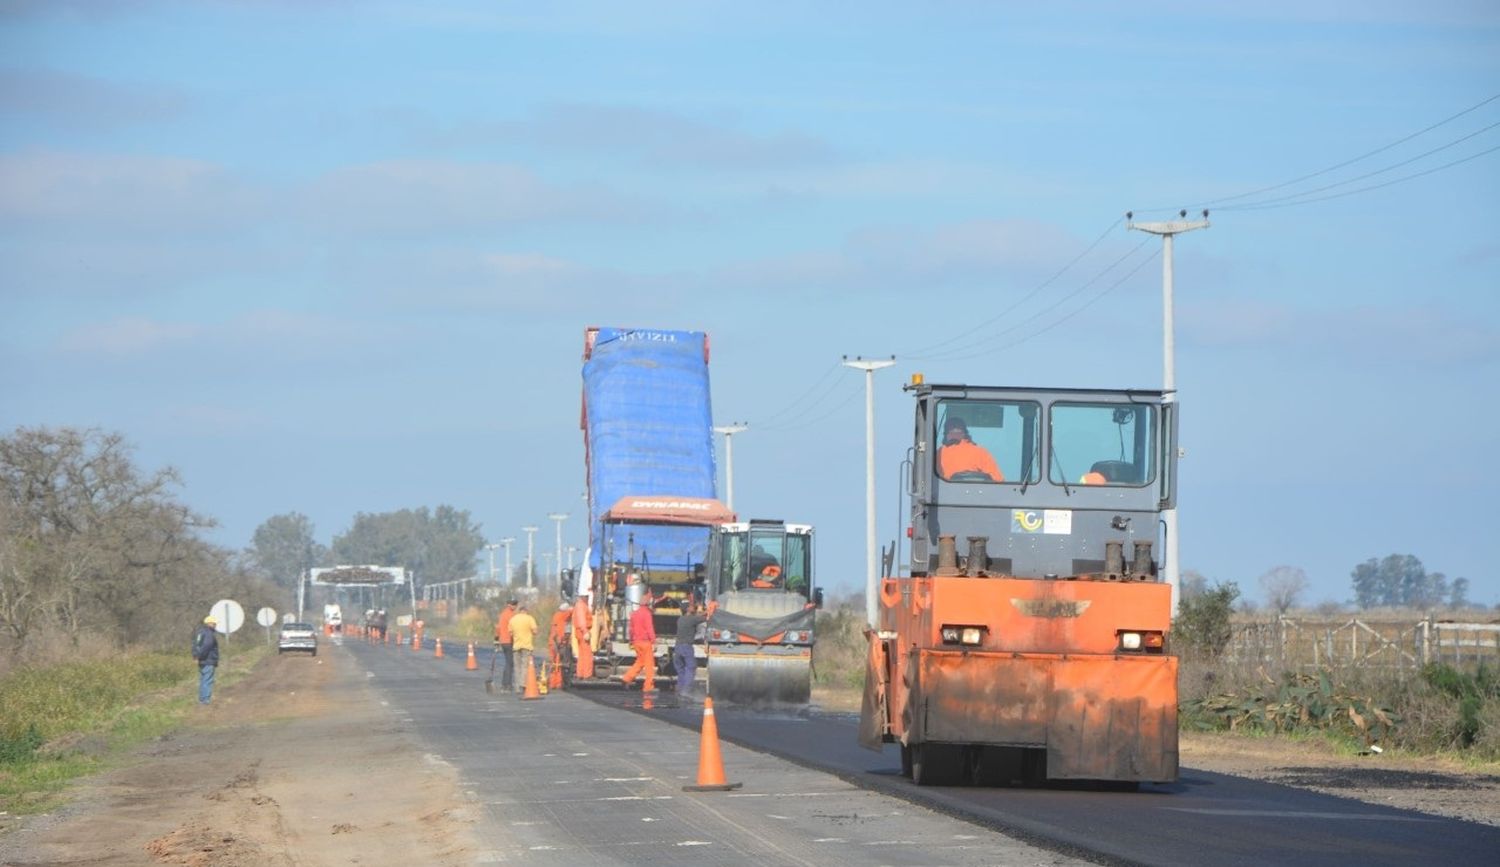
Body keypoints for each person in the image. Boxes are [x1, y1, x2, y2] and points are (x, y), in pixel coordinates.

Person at [937, 417, 1003, 481]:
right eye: (952, 432)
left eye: (957, 432)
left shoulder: (939, 453)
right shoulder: (980, 452)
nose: (954, 435)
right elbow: (998, 480)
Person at [620, 591, 657, 692]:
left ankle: (626, 678)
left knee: (640, 662)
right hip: (646, 642)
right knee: (649, 665)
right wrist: (654, 641)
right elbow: (650, 628)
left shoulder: (634, 614)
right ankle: (648, 686)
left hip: (637, 642)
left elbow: (631, 629)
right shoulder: (647, 614)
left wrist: (631, 640)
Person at [673, 599, 706, 696]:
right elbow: (705, 618)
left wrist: (700, 612)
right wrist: (710, 609)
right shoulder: (691, 619)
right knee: (691, 667)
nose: (693, 607)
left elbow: (698, 617)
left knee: (681, 669)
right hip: (686, 647)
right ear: (687, 609)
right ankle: (686, 690)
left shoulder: (680, 619)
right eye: (691, 606)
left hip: (678, 647)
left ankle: (680, 688)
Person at [507, 603, 539, 694]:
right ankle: (523, 684)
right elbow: (535, 631)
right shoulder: (529, 618)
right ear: (526, 611)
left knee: (517, 667)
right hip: (527, 646)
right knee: (525, 666)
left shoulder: (513, 619)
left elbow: (510, 632)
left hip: (516, 646)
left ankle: (517, 687)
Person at [193, 615, 220, 705]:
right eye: (214, 623)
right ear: (209, 623)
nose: (215, 625)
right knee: (207, 680)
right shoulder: (209, 634)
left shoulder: (200, 632)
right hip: (208, 660)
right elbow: (206, 646)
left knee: (203, 679)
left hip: (202, 660)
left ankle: (202, 699)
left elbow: (196, 645)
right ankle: (205, 700)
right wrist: (200, 656)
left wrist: (196, 656)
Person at [548, 602, 573, 689]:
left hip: (554, 642)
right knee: (559, 663)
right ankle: (558, 683)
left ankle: (553, 683)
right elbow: (571, 611)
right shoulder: (562, 615)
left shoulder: (556, 616)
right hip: (558, 643)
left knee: (554, 663)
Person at [495, 599, 517, 691]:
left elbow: (498, 628)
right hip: (509, 640)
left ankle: (505, 683)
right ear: (509, 605)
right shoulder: (510, 615)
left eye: (515, 604)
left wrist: (496, 640)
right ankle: (507, 684)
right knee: (510, 663)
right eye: (513, 604)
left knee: (508, 662)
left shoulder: (503, 614)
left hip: (503, 641)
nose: (515, 606)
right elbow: (514, 627)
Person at [571, 592, 595, 680]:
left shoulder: (578, 605)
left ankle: (580, 673)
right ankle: (587, 675)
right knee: (587, 654)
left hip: (580, 631)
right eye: (587, 597)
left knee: (582, 654)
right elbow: (582, 620)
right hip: (583, 631)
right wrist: (585, 631)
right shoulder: (581, 606)